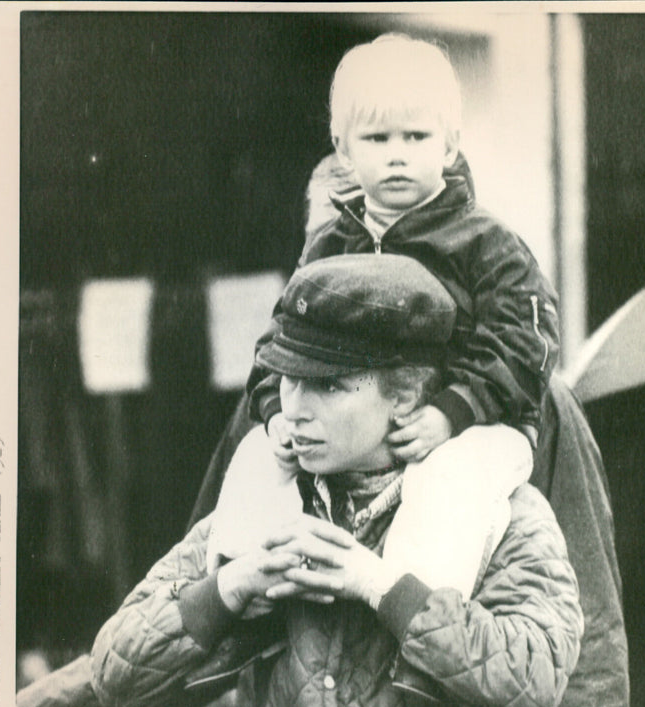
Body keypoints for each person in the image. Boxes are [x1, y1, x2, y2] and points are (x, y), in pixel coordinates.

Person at [17, 255, 584, 707]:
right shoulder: (263, 510)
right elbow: (119, 675)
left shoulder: (501, 514)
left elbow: (534, 683)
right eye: (288, 379)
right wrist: (230, 589)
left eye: (329, 386)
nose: (296, 407)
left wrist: (383, 587)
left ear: (406, 397)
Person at [225, 33, 559, 606]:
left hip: (478, 426)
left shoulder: (485, 243)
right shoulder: (330, 242)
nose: (398, 154)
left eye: (417, 136)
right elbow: (282, 338)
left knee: (446, 481)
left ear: (450, 146)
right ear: (343, 150)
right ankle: (247, 594)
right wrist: (274, 410)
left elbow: (525, 339)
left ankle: (420, 620)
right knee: (259, 454)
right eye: (377, 138)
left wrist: (454, 412)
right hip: (364, 430)